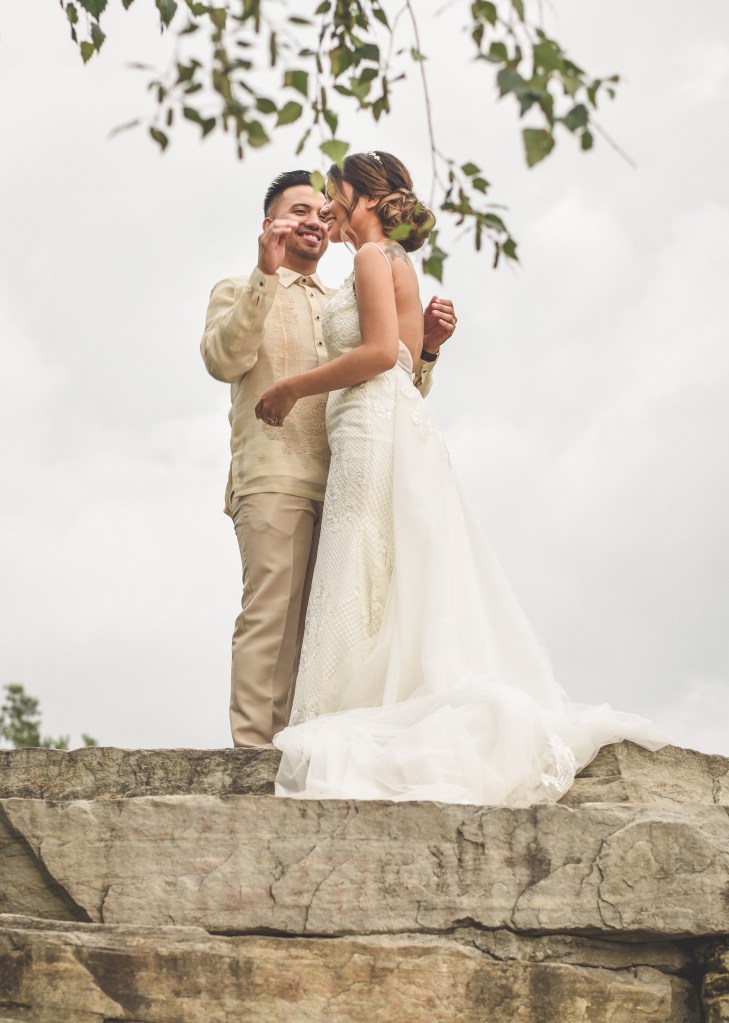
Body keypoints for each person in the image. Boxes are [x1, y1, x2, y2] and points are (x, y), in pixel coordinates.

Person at [255, 151, 669, 805]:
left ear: (364, 198)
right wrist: (429, 348)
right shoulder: (392, 259)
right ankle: (378, 700)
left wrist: (291, 387)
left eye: (332, 192)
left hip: (371, 422)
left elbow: (376, 356)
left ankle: (350, 712)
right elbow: (407, 360)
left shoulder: (372, 258)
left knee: (362, 558)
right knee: (387, 564)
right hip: (387, 420)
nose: (327, 206)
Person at [201, 170, 457, 748]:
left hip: (352, 477)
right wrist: (264, 274)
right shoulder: (237, 289)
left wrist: (429, 350)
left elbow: (395, 384)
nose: (315, 219)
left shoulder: (347, 292)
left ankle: (313, 747)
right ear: (269, 224)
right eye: (298, 211)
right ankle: (255, 753)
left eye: (321, 211)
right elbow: (224, 359)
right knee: (272, 617)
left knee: (341, 621)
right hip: (276, 475)